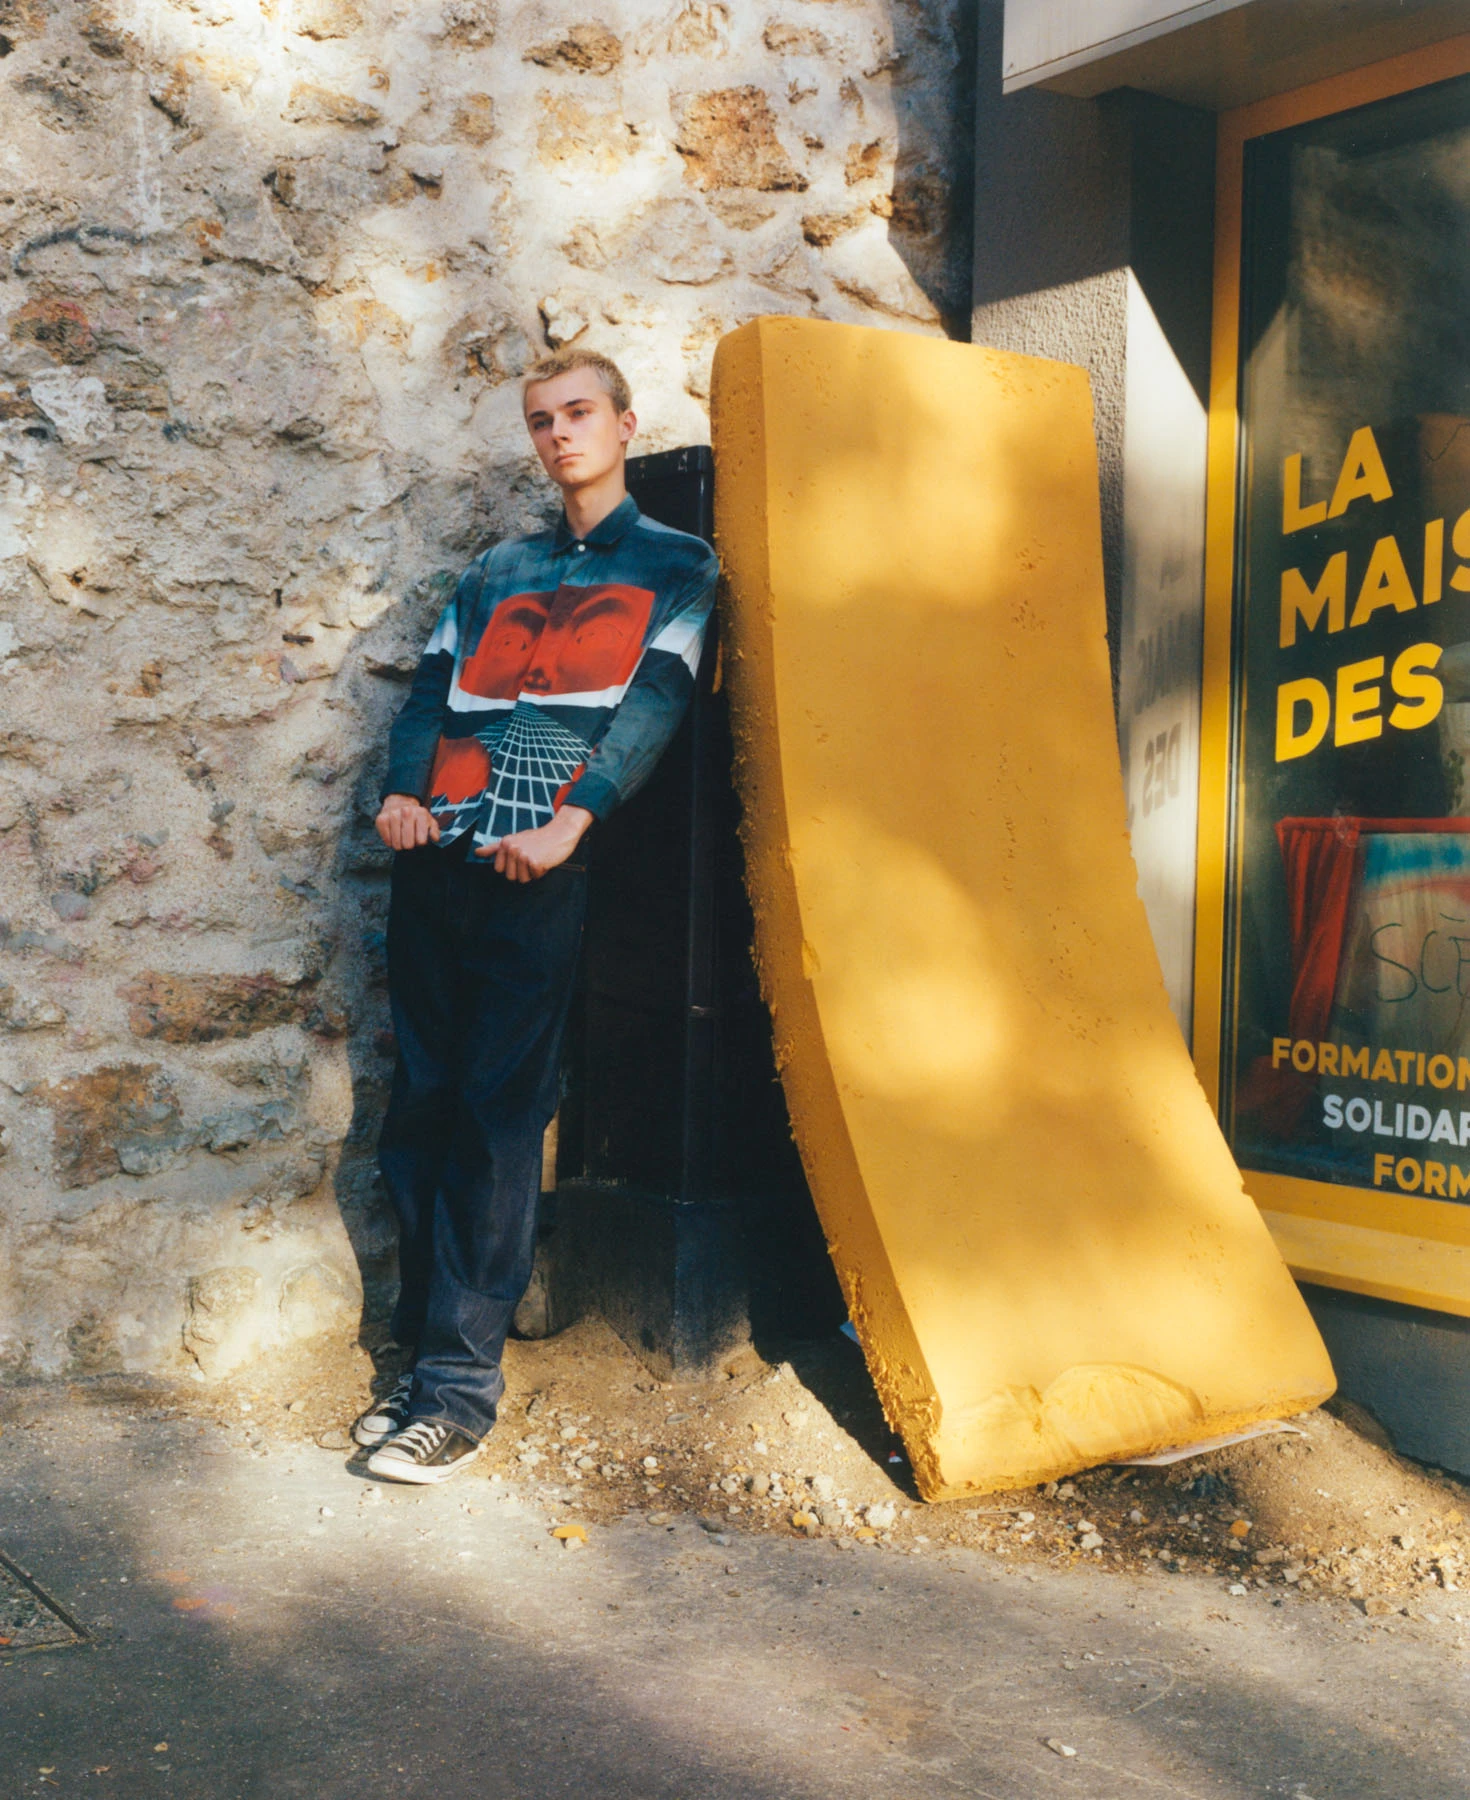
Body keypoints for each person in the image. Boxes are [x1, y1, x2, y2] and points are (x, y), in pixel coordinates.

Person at [355, 348, 719, 1483]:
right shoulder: (494, 567)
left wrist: (576, 822)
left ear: (622, 423)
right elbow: (430, 690)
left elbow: (657, 699)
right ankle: (419, 1362)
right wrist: (406, 795)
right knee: (420, 1106)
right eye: (540, 421)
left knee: (499, 1122)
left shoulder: (678, 563)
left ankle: (458, 1394)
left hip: (535, 871)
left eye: (578, 414)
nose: (559, 435)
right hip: (439, 868)